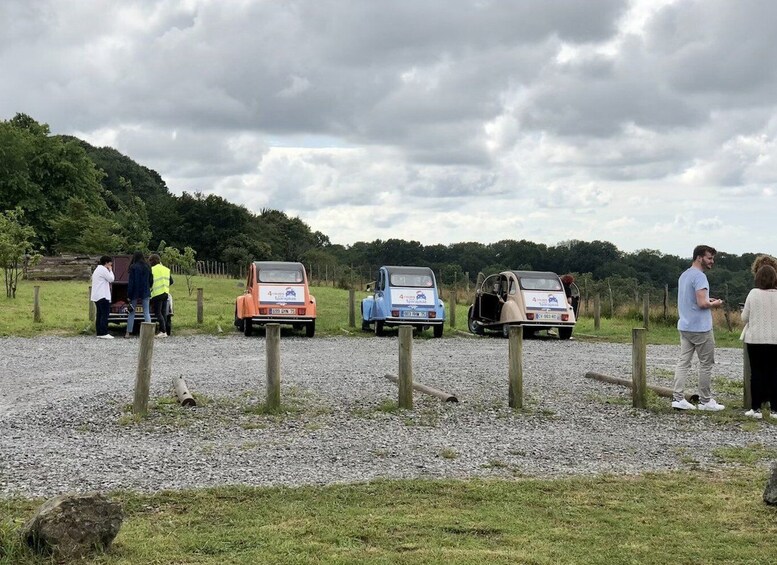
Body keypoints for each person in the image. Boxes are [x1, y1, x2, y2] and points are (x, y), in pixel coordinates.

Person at [671, 245, 726, 411]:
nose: (712, 261)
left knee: (683, 362)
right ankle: (705, 400)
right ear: (699, 257)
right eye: (709, 258)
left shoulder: (684, 275)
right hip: (700, 328)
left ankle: (678, 398)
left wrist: (707, 299)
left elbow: (693, 299)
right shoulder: (700, 277)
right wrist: (714, 304)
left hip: (685, 325)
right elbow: (702, 303)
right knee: (706, 364)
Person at [741, 265, 777, 418]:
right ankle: (775, 409)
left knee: (756, 373)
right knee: (774, 373)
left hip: (755, 339)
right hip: (775, 339)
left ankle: (755, 408)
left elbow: (744, 318)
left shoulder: (753, 294)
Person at [125, 251, 153, 338]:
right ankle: (149, 333)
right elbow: (151, 280)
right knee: (146, 312)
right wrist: (149, 286)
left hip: (135, 292)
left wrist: (129, 295)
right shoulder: (147, 267)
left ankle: (128, 333)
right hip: (145, 291)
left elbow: (131, 283)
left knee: (131, 312)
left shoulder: (133, 267)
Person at [149, 254, 173, 338]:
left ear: (152, 261)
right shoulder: (166, 269)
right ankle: (165, 331)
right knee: (163, 313)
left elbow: (150, 282)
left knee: (158, 313)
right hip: (165, 293)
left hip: (156, 293)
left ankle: (163, 331)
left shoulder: (152, 270)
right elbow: (171, 281)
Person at [90, 256, 115, 339]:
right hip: (103, 295)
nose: (111, 264)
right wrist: (110, 270)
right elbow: (111, 279)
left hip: (97, 295)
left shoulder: (97, 270)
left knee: (99, 314)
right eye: (110, 262)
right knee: (105, 314)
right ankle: (104, 332)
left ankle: (99, 332)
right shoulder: (103, 270)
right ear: (107, 263)